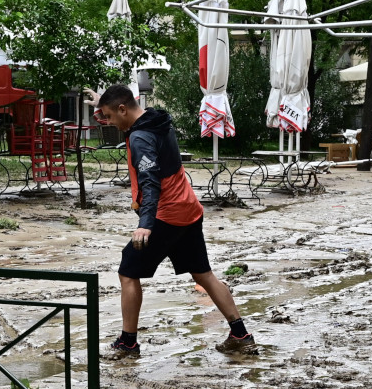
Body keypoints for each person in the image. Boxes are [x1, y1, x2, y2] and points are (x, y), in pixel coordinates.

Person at [84, 84, 256, 358]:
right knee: (203, 274)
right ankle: (240, 334)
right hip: (189, 209)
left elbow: (150, 183)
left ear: (123, 108)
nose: (110, 124)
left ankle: (128, 343)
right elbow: (126, 118)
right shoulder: (156, 118)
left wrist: (145, 224)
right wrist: (100, 102)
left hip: (167, 215)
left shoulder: (141, 139)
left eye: (110, 116)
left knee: (128, 273)